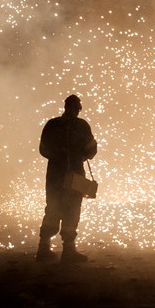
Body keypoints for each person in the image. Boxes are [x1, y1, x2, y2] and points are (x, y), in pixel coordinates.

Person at [36, 94, 98, 263]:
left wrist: (59, 156)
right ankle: (69, 250)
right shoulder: (81, 126)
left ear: (65, 107)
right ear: (78, 108)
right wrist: (79, 155)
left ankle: (43, 248)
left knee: (53, 206)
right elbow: (92, 150)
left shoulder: (52, 125)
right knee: (72, 208)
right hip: (75, 174)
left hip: (55, 174)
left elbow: (43, 149)